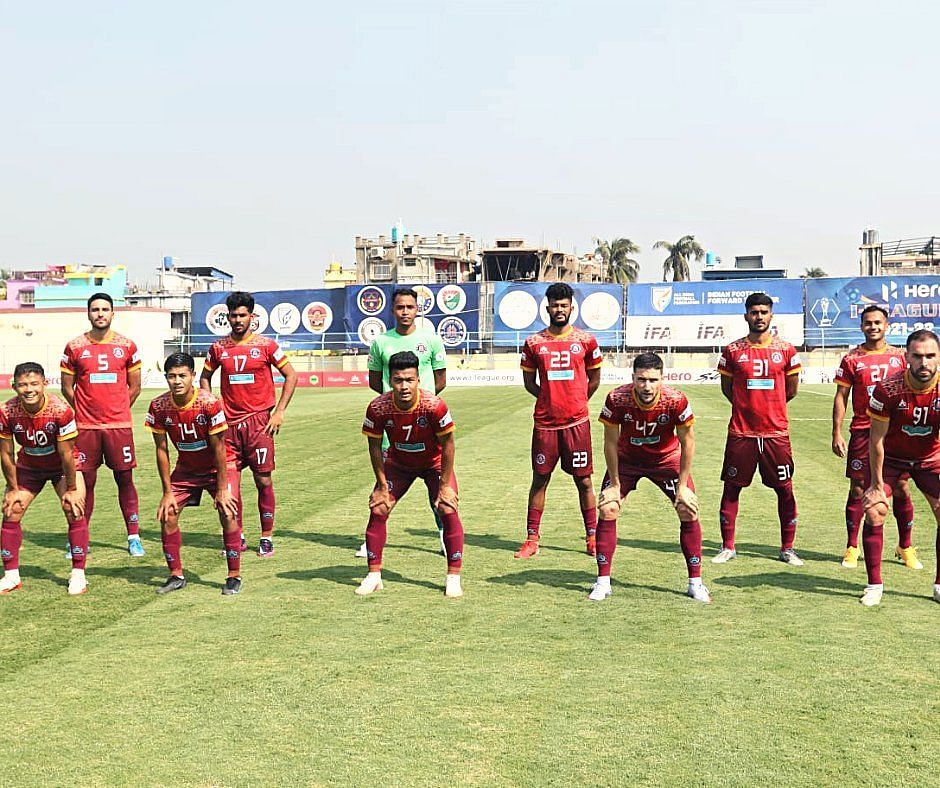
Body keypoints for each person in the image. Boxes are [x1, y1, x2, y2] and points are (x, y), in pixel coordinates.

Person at [592, 353, 710, 603]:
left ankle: (696, 582)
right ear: (633, 378)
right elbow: (610, 442)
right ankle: (603, 582)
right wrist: (614, 484)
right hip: (627, 460)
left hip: (665, 460)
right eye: (641, 379)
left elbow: (687, 443)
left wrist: (683, 486)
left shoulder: (675, 400)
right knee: (608, 507)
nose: (647, 386)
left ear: (662, 379)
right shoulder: (617, 398)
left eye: (653, 380)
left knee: (688, 510)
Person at [357, 351, 464, 598]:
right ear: (390, 380)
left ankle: (453, 577)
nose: (404, 386)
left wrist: (446, 485)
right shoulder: (378, 407)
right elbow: (374, 447)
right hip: (399, 464)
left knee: (447, 508)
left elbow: (448, 444)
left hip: (433, 464)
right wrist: (382, 485)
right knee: (379, 508)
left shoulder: (434, 406)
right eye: (398, 380)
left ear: (418, 380)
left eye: (409, 380)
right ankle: (374, 575)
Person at [201, 292, 297, 557]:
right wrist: (211, 402)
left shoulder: (266, 346)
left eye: (242, 315)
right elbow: (205, 377)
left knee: (263, 480)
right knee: (230, 485)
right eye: (233, 315)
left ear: (251, 317)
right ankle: (237, 535)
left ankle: (266, 536)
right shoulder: (219, 348)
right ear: (227, 317)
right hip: (228, 426)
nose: (237, 320)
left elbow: (291, 375)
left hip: (259, 424)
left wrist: (278, 412)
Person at [355, 287, 448, 558]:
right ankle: (371, 539)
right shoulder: (381, 342)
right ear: (392, 310)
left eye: (409, 307)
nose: (405, 312)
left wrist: (421, 407)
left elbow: (440, 379)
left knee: (437, 487)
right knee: (385, 483)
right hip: (392, 428)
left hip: (427, 426)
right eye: (400, 307)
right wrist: (396, 409)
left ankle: (444, 535)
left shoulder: (430, 340)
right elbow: (375, 381)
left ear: (417, 309)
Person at [713, 292, 803, 566]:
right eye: (754, 312)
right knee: (732, 488)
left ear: (771, 315)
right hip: (742, 433)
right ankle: (728, 546)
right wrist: (747, 405)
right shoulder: (732, 351)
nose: (759, 316)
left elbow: (791, 390)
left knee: (785, 489)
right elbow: (728, 390)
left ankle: (787, 548)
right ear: (746, 315)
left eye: (764, 312)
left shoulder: (786, 350)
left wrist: (770, 407)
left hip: (776, 433)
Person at [514, 282, 602, 559]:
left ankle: (592, 537)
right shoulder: (534, 343)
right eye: (555, 305)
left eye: (564, 305)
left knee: (584, 481)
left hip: (577, 423)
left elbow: (595, 378)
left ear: (571, 307)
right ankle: (531, 539)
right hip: (545, 425)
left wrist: (576, 399)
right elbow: (529, 382)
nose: (559, 309)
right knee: (540, 479)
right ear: (548, 307)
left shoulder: (586, 341)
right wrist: (548, 399)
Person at [832, 305, 919, 569]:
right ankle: (852, 546)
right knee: (858, 488)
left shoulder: (900, 358)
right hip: (862, 431)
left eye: (878, 322)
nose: (873, 327)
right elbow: (841, 397)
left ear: (887, 325)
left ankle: (905, 546)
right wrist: (836, 431)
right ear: (861, 326)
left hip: (894, 432)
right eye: (868, 323)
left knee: (902, 487)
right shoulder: (851, 359)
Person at [148, 353, 242, 595]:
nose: (177, 381)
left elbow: (220, 448)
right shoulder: (158, 406)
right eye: (171, 376)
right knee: (167, 513)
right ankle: (176, 575)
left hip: (218, 467)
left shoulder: (209, 403)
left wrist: (222, 489)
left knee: (228, 511)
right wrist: (167, 492)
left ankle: (233, 575)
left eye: (182, 375)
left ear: (192, 376)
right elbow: (161, 449)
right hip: (187, 469)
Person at [859, 330, 940, 607]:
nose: (924, 363)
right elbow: (876, 440)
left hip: (930, 458)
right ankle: (874, 585)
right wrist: (875, 485)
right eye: (917, 356)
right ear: (906, 357)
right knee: (875, 511)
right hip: (892, 458)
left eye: (930, 356)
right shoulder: (888, 389)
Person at [60, 292, 144, 556]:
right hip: (86, 428)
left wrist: (116, 409)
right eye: (95, 309)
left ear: (112, 313)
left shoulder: (127, 345)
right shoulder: (74, 346)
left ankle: (133, 536)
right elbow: (67, 387)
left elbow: (135, 386)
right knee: (85, 482)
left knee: (125, 479)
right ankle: (79, 535)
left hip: (118, 426)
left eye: (105, 309)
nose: (100, 314)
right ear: (88, 313)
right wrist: (86, 411)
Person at [0, 362, 88, 595]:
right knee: (12, 509)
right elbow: (6, 453)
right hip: (29, 466)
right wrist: (12, 487)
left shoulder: (60, 410)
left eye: (34, 384)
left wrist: (71, 488)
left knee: (74, 507)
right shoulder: (6, 411)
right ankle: (11, 576)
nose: (29, 389)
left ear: (44, 384)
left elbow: (67, 453)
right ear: (14, 386)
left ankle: (78, 574)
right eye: (22, 385)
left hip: (62, 466)